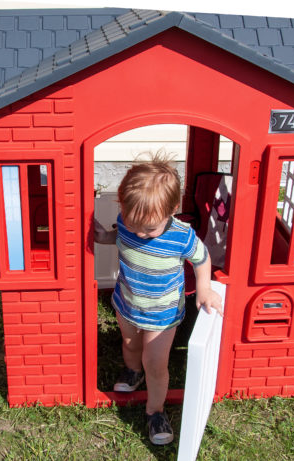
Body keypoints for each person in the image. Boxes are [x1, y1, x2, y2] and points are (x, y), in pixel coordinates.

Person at [94, 154, 223, 445]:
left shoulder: (181, 236)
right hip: (127, 302)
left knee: (155, 362)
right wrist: (103, 236)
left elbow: (202, 259)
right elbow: (121, 237)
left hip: (162, 314)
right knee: (129, 344)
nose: (140, 232)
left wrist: (203, 287)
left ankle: (155, 410)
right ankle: (133, 372)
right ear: (122, 207)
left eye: (149, 229)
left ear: (172, 210)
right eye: (133, 222)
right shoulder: (129, 221)